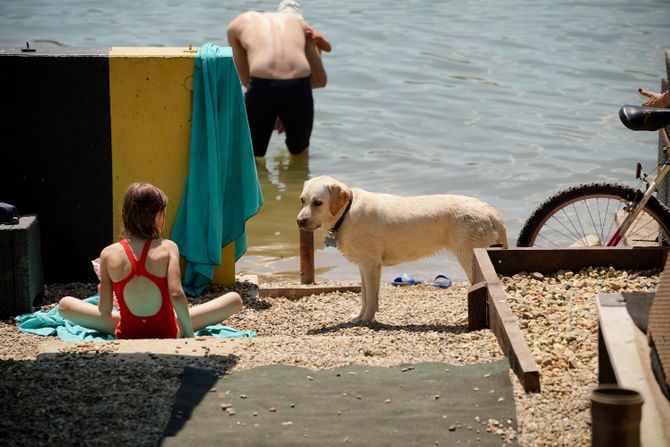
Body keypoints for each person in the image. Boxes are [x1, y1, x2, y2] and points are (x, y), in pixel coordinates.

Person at [58, 183, 243, 339]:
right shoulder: (168, 247)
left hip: (128, 332)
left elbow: (104, 310)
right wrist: (188, 335)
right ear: (157, 216)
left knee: (65, 304)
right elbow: (177, 294)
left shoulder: (108, 253)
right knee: (234, 300)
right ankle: (181, 324)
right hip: (167, 331)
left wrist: (106, 295)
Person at [227, 0, 331, 157]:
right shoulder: (302, 26)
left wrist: (273, 107)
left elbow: (246, 79)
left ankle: (257, 181)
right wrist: (285, 108)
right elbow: (320, 80)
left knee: (251, 155)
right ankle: (298, 180)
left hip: (261, 85)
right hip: (298, 87)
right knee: (300, 152)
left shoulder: (236, 24)